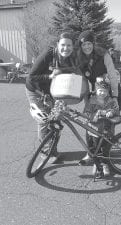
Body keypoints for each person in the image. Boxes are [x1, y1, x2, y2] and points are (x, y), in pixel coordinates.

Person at [25, 32, 79, 163]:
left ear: (73, 47)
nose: (65, 48)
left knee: (56, 120)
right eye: (63, 45)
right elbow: (31, 77)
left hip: (54, 92)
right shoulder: (48, 54)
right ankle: (45, 153)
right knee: (45, 120)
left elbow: (75, 76)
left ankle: (53, 151)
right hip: (36, 90)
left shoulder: (72, 57)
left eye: (69, 45)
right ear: (57, 45)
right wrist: (49, 76)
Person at [76, 30, 121, 111]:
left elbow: (112, 77)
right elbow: (84, 83)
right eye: (84, 44)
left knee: (110, 119)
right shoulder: (80, 59)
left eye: (89, 43)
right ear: (81, 46)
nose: (87, 47)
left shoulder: (104, 55)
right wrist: (86, 101)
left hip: (112, 91)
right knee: (94, 120)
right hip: (97, 93)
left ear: (93, 44)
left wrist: (115, 97)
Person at [83, 79, 120, 177]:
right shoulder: (92, 100)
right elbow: (86, 112)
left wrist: (111, 112)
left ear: (108, 92)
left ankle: (105, 164)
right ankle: (96, 163)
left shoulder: (111, 101)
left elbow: (116, 110)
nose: (102, 93)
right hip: (93, 129)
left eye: (105, 91)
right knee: (94, 147)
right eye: (100, 90)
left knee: (105, 148)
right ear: (96, 90)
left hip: (106, 129)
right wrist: (94, 115)